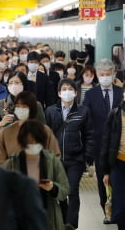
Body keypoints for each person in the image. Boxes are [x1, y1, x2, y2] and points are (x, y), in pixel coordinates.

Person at [45, 78, 94, 230]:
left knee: (72, 191)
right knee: (60, 193)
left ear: (75, 92)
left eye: (70, 89)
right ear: (59, 93)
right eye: (64, 89)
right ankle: (62, 221)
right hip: (56, 159)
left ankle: (71, 224)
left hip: (76, 159)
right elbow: (46, 135)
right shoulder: (51, 111)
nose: (67, 92)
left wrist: (87, 157)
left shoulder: (83, 111)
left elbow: (90, 135)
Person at [4, 119, 70, 230]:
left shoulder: (52, 160)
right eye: (29, 142)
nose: (32, 145)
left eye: (35, 142)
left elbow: (65, 190)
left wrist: (53, 187)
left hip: (47, 217)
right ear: (22, 142)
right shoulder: (12, 163)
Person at [83, 59, 123, 214]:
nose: (105, 77)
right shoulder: (91, 94)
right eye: (102, 74)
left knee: (118, 177)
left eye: (108, 74)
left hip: (120, 144)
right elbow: (87, 120)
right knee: (102, 177)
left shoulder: (121, 93)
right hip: (99, 144)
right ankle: (106, 208)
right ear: (97, 76)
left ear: (114, 74)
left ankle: (119, 207)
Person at [0, 91, 60, 165]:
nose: (21, 109)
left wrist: (47, 170)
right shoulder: (7, 132)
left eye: (24, 107)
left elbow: (55, 155)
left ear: (32, 108)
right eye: (18, 106)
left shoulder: (44, 131)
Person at [101, 87, 125, 230]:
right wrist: (106, 171)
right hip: (118, 164)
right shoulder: (115, 114)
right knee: (120, 206)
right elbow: (106, 143)